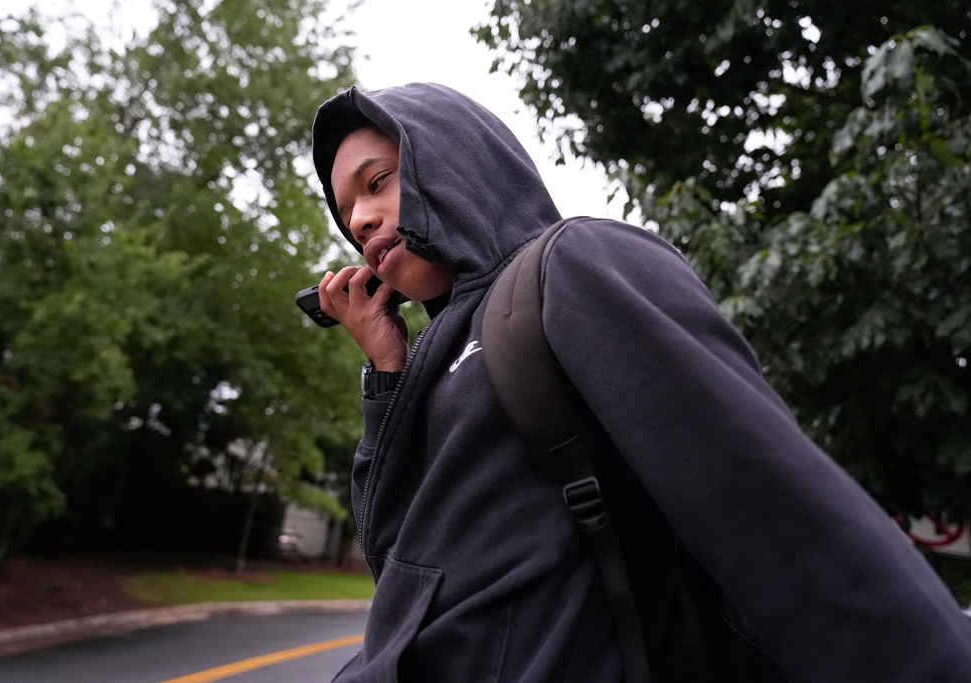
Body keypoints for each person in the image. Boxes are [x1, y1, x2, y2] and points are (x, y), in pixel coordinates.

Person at [311, 82, 971, 681]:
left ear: (450, 162)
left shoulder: (573, 266)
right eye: (348, 214)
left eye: (379, 182)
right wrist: (387, 375)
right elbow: (401, 570)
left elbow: (764, 497)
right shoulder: (430, 361)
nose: (361, 220)